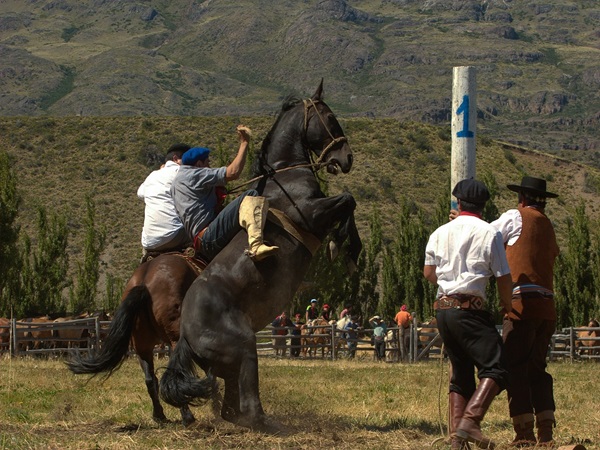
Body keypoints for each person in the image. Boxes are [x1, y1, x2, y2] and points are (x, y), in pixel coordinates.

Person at [423, 178, 513, 450]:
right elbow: (503, 277)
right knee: (497, 367)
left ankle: (456, 441)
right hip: (469, 310)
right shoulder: (489, 233)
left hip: (444, 311)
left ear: (458, 203)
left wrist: (449, 285)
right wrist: (508, 306)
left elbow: (429, 273)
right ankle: (470, 422)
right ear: (484, 206)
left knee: (461, 373)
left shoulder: (440, 232)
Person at [490, 176, 560, 446]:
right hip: (547, 309)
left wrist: (462, 222)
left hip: (522, 306)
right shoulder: (547, 225)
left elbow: (487, 236)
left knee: (514, 368)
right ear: (542, 201)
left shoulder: (514, 217)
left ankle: (524, 432)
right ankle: (546, 431)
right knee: (537, 368)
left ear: (521, 198)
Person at [170, 125, 278, 262]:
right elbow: (233, 172)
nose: (209, 167)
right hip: (209, 236)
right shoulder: (194, 174)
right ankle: (256, 245)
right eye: (207, 163)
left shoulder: (176, 183)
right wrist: (244, 143)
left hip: (199, 240)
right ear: (198, 164)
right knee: (250, 195)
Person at [137, 143, 192, 263]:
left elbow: (140, 193)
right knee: (206, 235)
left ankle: (144, 260)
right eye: (188, 159)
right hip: (172, 236)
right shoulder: (183, 172)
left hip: (149, 242)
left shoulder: (153, 175)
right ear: (176, 159)